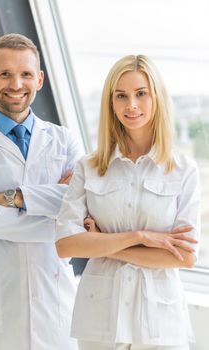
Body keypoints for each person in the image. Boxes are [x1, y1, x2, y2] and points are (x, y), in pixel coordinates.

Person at [55, 55, 200, 350]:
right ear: (111, 103)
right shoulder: (89, 167)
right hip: (100, 318)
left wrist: (102, 243)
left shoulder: (183, 170)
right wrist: (141, 238)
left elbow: (184, 256)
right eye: (121, 96)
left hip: (160, 321)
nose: (131, 105)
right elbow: (66, 245)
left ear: (156, 98)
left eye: (141, 94)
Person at [0, 33, 82, 349]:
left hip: (54, 298)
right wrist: (54, 221)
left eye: (25, 74)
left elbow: (80, 212)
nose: (16, 84)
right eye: (5, 73)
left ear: (40, 79)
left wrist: (14, 197)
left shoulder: (64, 140)